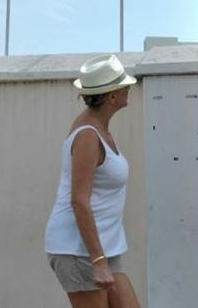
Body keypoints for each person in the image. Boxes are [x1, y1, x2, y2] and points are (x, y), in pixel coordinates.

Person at [45, 54, 140, 308]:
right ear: (111, 96)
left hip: (103, 248)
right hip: (79, 249)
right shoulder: (88, 134)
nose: (129, 87)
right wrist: (97, 261)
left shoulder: (99, 127)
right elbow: (79, 200)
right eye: (124, 85)